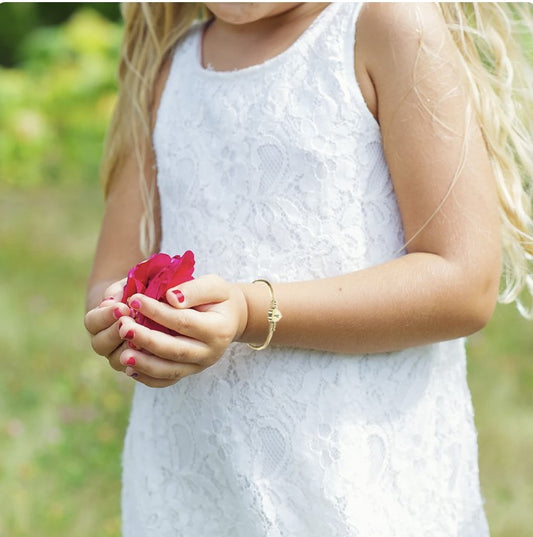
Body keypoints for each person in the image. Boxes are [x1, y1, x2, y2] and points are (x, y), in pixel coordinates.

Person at [84, 3, 533, 536]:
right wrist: (125, 320)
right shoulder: (168, 71)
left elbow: (463, 281)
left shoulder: (384, 27)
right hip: (198, 484)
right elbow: (111, 270)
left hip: (354, 479)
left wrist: (251, 310)